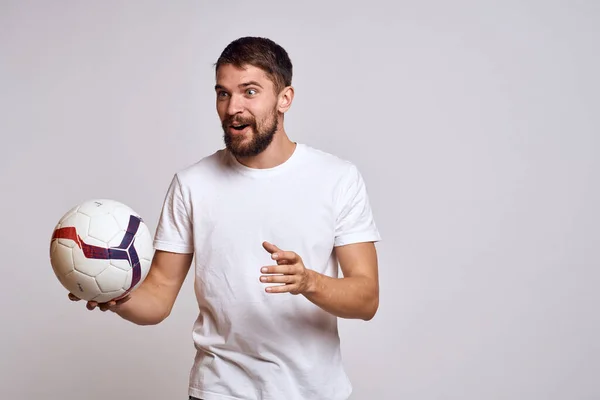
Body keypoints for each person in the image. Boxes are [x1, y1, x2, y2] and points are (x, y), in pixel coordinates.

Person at [70, 36, 381, 400]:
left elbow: (366, 298)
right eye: (223, 93)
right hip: (219, 390)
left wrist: (308, 281)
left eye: (249, 92)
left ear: (285, 98)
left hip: (314, 391)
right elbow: (157, 297)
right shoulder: (192, 184)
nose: (233, 107)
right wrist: (114, 292)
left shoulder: (337, 178)